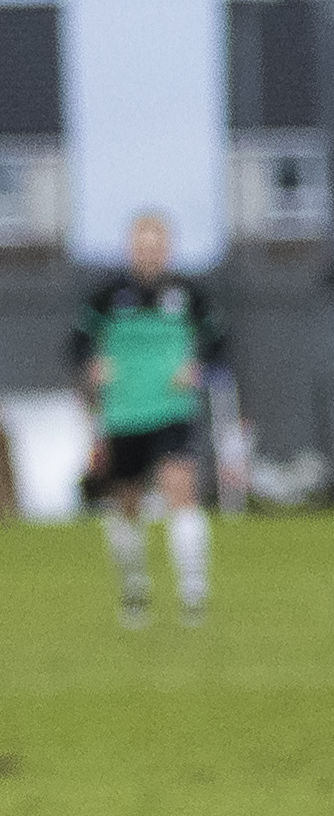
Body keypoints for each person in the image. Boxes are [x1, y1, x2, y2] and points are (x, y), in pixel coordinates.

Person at [69, 210, 226, 628]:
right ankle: (135, 589)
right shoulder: (108, 295)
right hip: (123, 412)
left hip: (172, 409)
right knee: (127, 505)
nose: (149, 253)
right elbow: (77, 342)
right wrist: (93, 364)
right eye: (142, 245)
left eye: (157, 245)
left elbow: (218, 342)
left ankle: (193, 593)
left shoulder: (189, 293)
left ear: (168, 249)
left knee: (181, 492)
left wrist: (197, 367)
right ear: (131, 249)